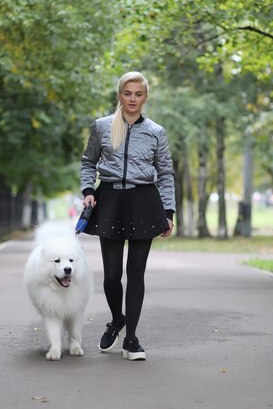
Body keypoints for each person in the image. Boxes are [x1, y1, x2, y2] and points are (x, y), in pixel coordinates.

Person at [80, 71, 175, 361]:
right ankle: (116, 319)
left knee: (136, 273)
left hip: (144, 200)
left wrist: (168, 210)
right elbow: (88, 162)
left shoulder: (156, 132)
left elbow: (166, 173)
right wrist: (88, 189)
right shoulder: (102, 127)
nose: (133, 99)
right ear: (119, 95)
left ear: (146, 97)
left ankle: (131, 339)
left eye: (138, 94)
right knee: (111, 275)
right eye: (127, 93)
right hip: (109, 199)